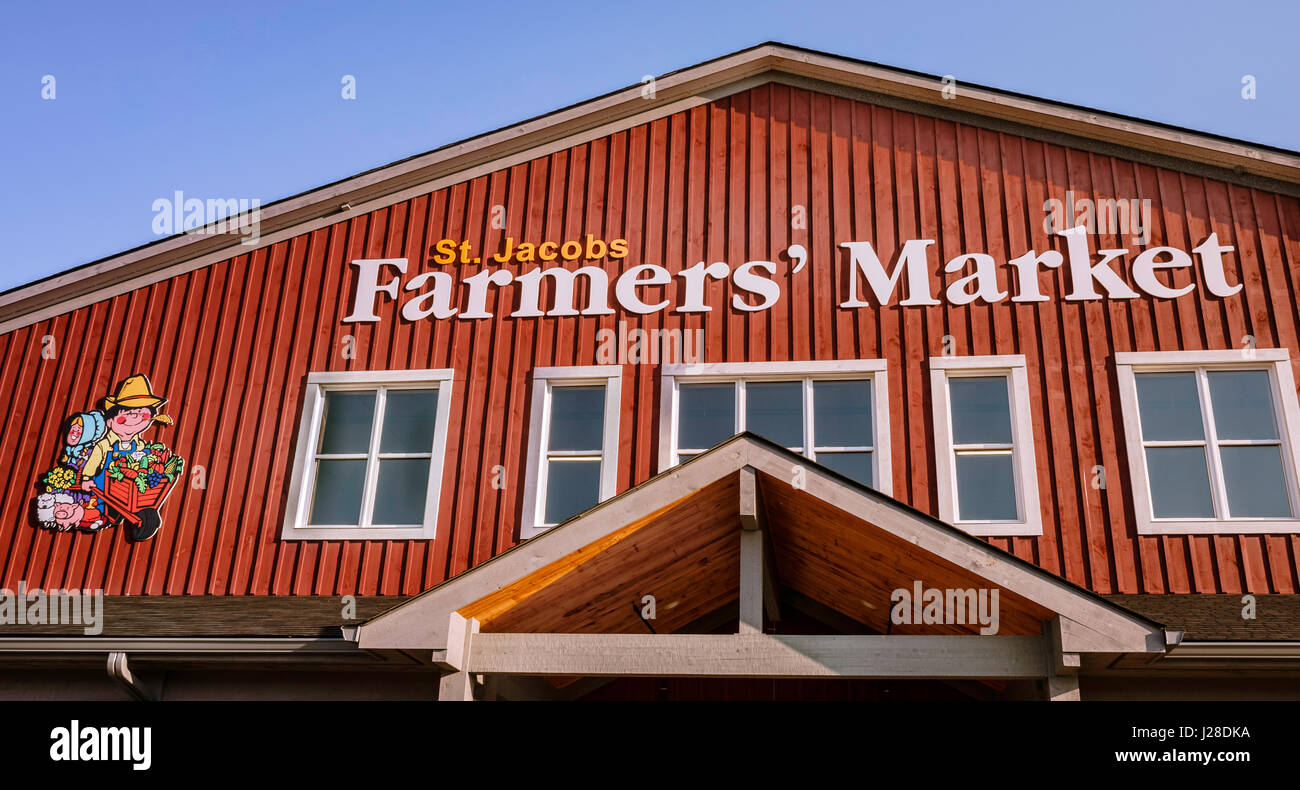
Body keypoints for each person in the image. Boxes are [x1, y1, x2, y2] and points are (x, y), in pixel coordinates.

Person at [79, 375, 173, 495]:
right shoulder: (104, 445)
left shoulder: (140, 445)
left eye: (142, 414)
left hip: (127, 494)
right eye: (127, 414)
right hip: (102, 493)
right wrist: (86, 479)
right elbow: (94, 463)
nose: (135, 418)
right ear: (110, 421)